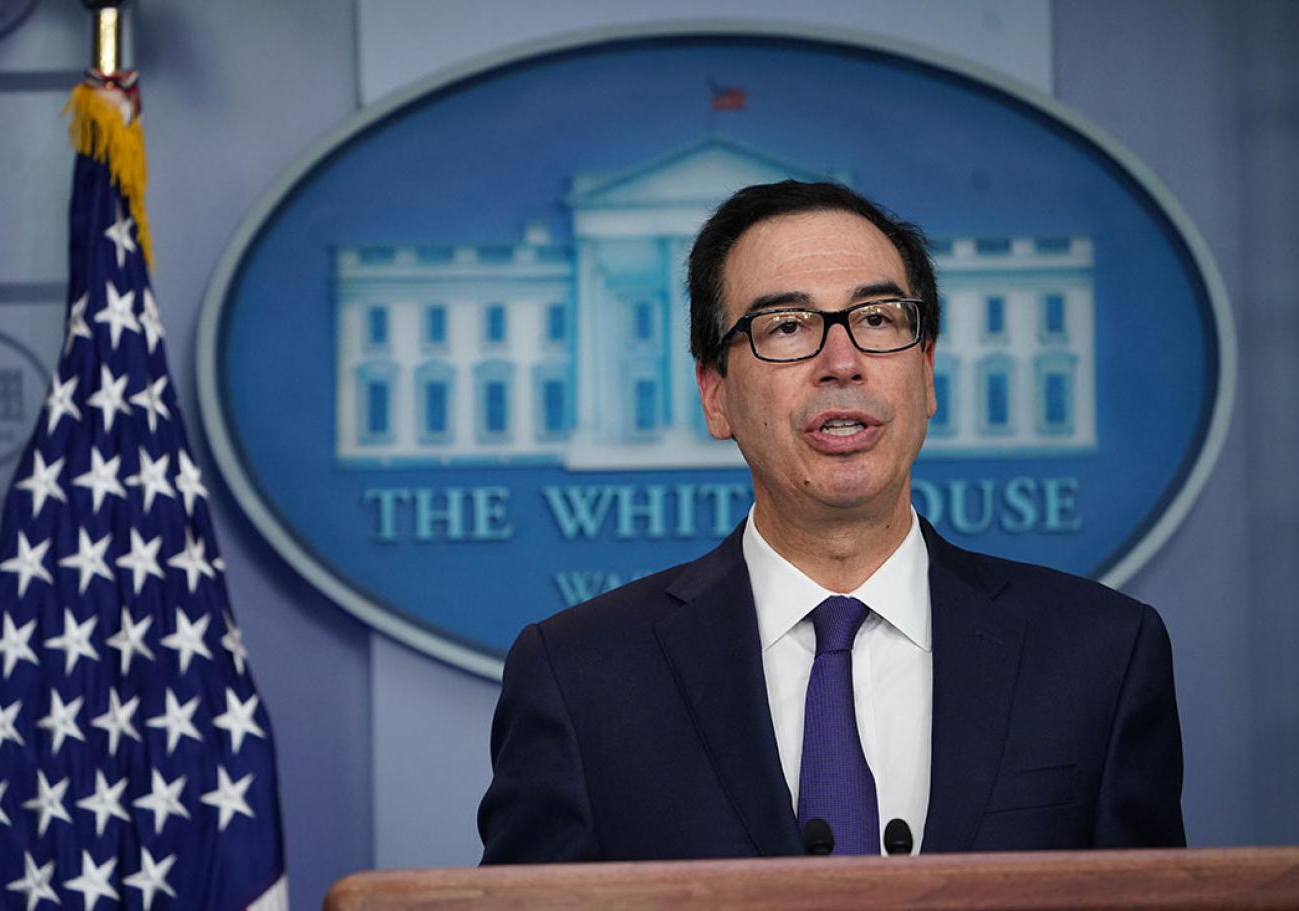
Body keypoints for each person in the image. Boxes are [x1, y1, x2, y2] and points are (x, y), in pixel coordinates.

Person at [477, 180, 1185, 862]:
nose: (841, 363)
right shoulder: (580, 679)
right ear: (715, 395)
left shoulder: (1101, 654)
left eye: (876, 319)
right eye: (787, 326)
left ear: (927, 372)